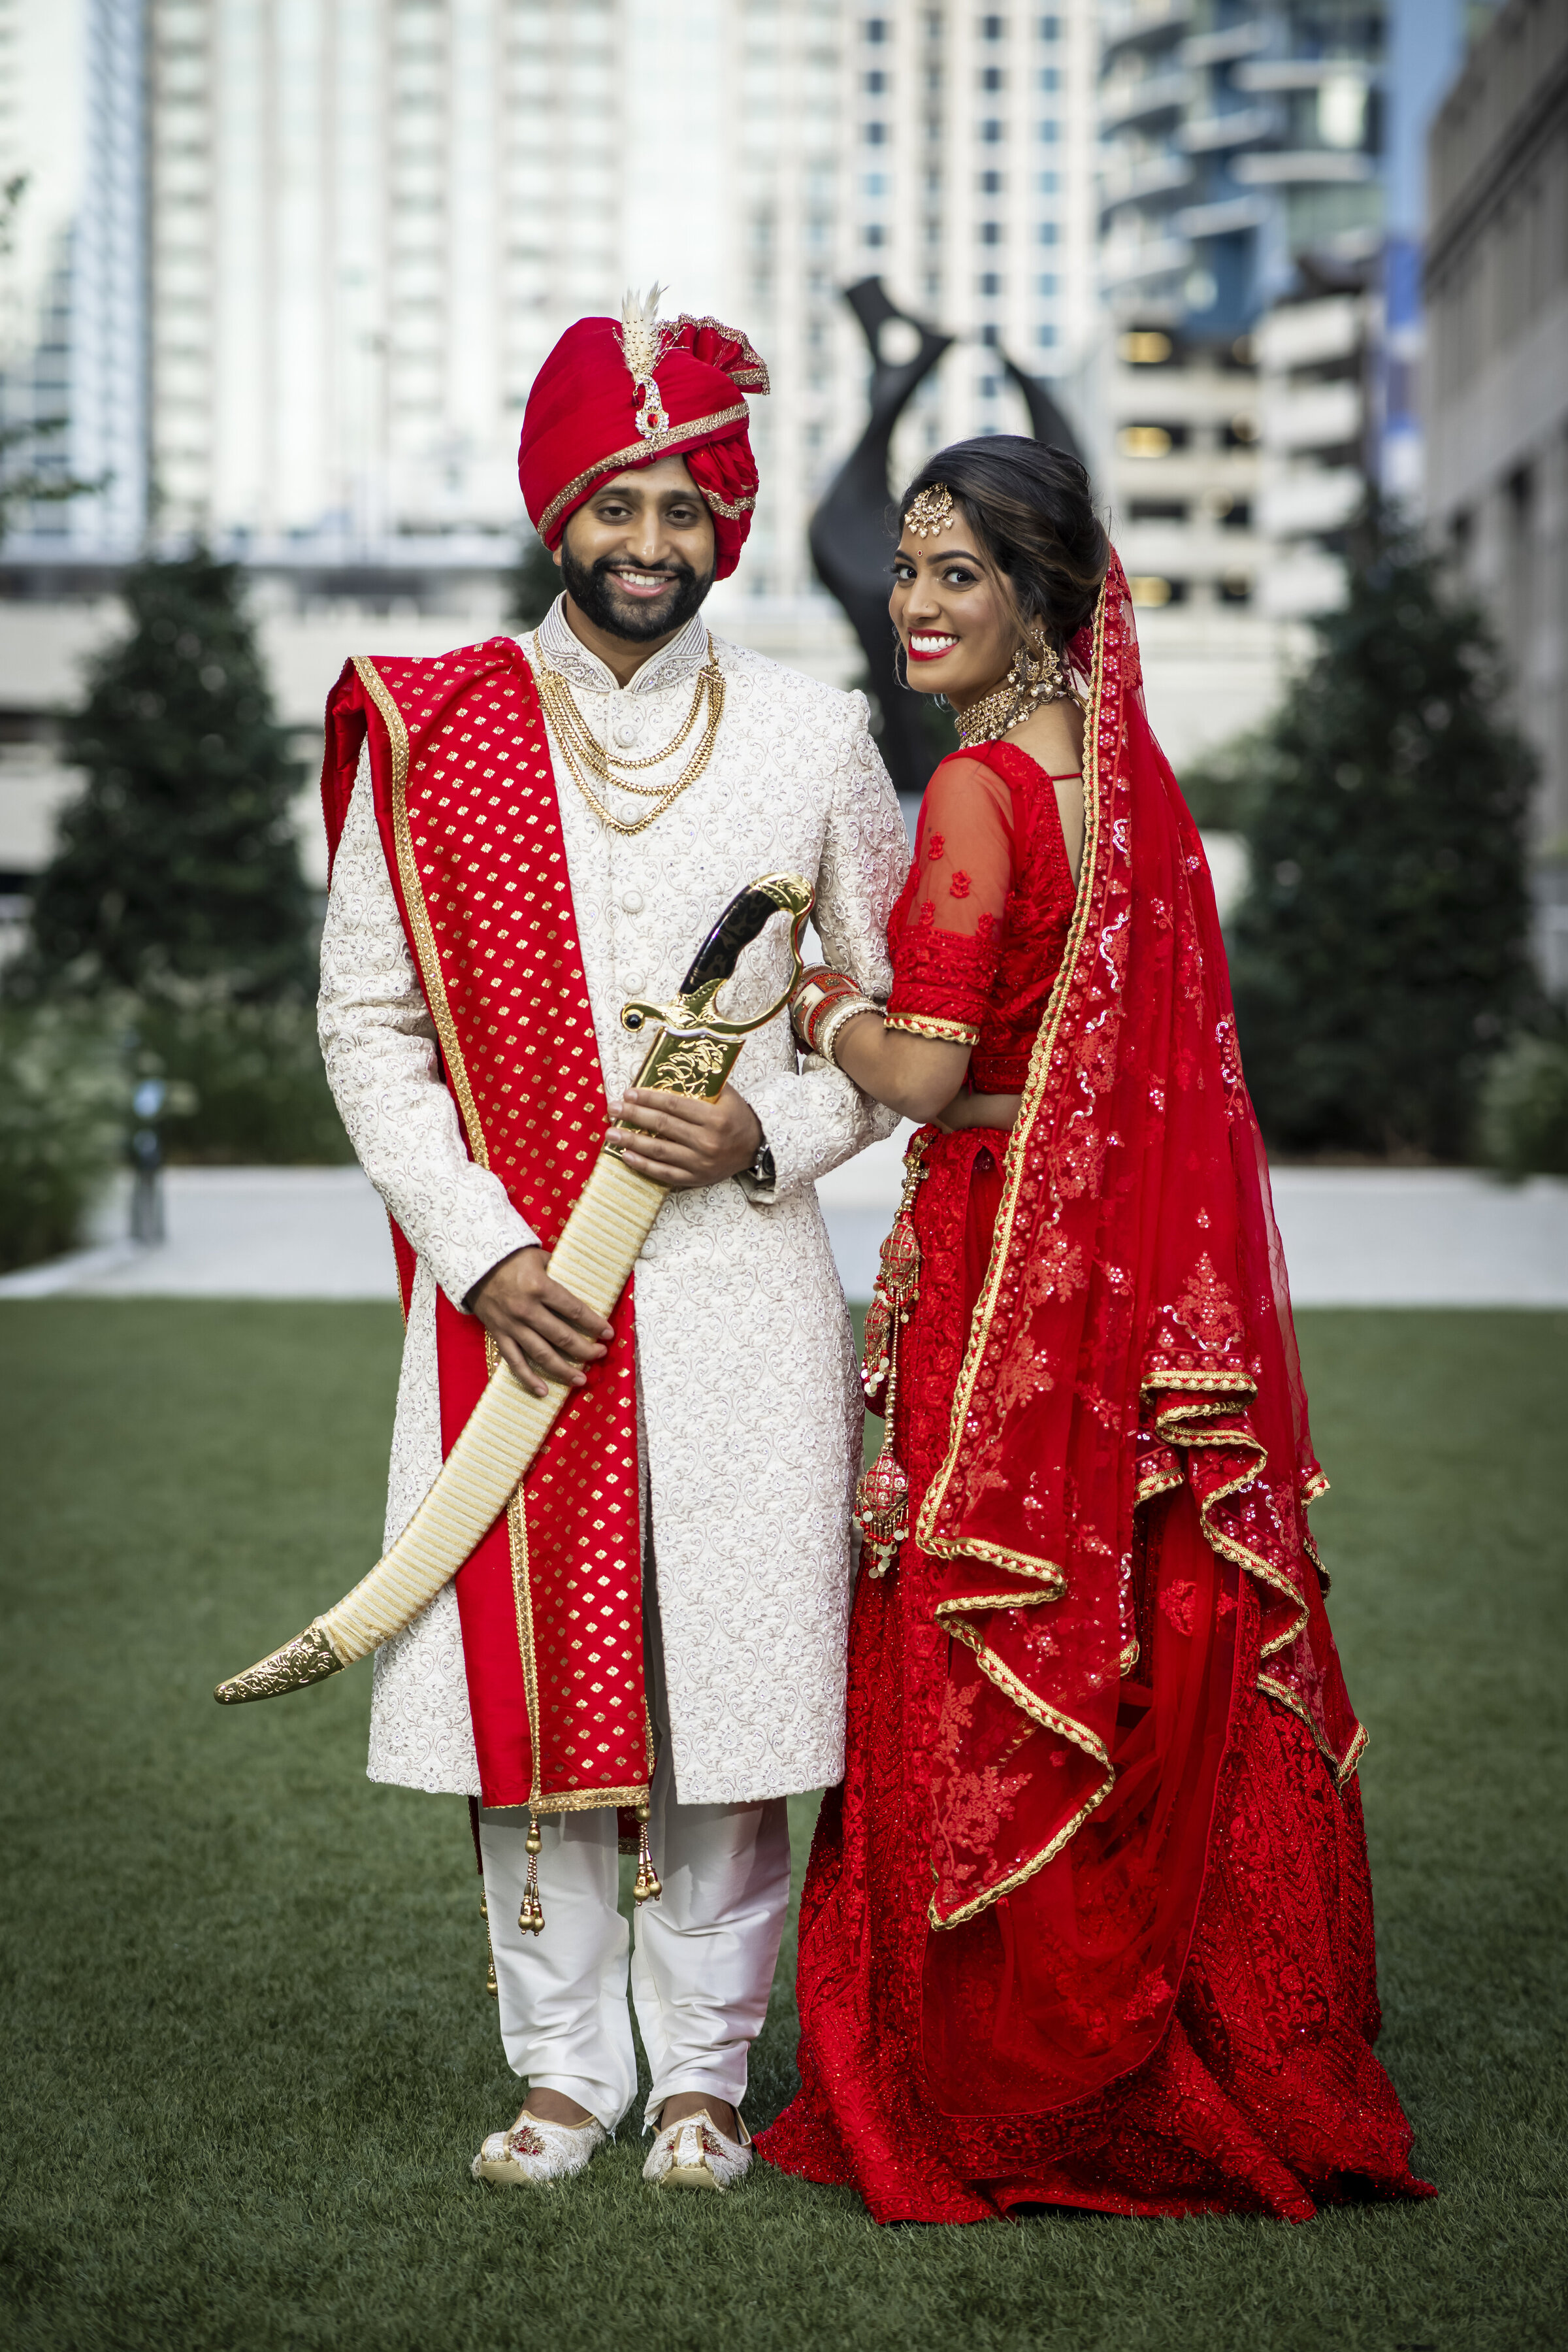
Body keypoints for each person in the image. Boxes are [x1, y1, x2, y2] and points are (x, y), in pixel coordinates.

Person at [759, 439, 1433, 2223]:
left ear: (1044, 600)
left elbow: (931, 1065)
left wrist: (819, 1005)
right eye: (909, 569)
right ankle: (1200, 2022)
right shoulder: (1128, 789)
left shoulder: (985, 789)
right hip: (1129, 1281)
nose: (917, 602)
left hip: (1009, 1268)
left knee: (985, 1609)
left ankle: (1005, 2063)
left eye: (959, 573)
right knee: (1134, 1618)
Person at [315, 293, 907, 2194]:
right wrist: (488, 1253)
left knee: (728, 1691)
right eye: (614, 506)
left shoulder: (819, 741)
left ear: (729, 525)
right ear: (553, 508)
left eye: (686, 511)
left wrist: (768, 1130)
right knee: (529, 1689)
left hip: (740, 1288)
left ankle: (707, 2074)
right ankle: (564, 2066)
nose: (650, 547)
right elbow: (367, 1034)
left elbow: (898, 1032)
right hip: (528, 1306)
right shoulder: (441, 732)